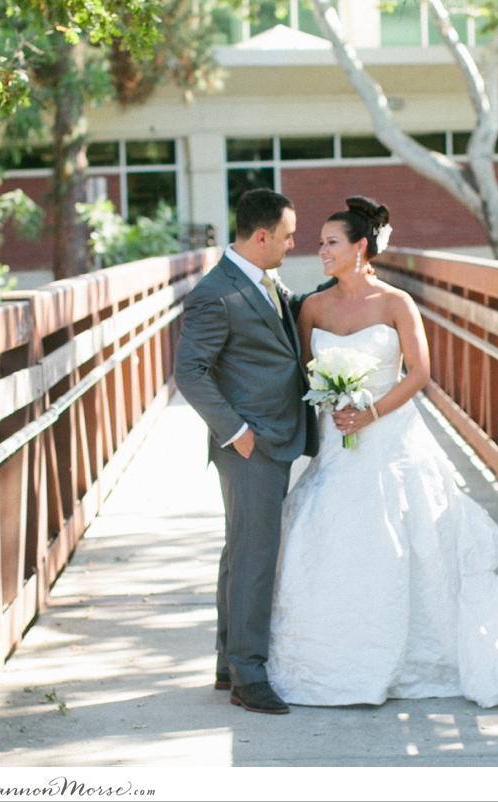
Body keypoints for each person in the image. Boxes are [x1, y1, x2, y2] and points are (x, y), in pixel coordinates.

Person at [266, 195, 498, 708]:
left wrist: (369, 412)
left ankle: (417, 654)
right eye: (320, 243)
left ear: (360, 247)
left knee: (410, 543)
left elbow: (420, 373)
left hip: (388, 438)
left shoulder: (394, 303)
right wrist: (331, 402)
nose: (320, 251)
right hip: (338, 445)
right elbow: (300, 371)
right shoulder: (312, 307)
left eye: (330, 243)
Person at [174, 188, 328, 716]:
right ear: (261, 236)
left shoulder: (262, 280)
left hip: (271, 436)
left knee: (240, 552)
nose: (292, 244)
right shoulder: (214, 293)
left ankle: (228, 662)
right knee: (255, 558)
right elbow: (188, 373)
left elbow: (286, 323)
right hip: (250, 445)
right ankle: (249, 677)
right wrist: (236, 431)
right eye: (287, 236)